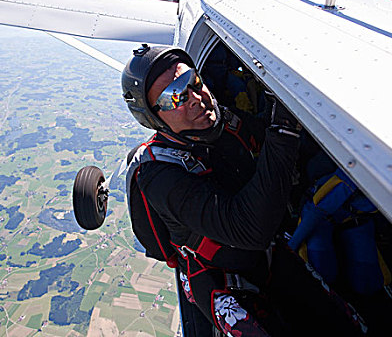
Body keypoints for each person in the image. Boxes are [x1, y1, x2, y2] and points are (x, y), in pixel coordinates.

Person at [122, 44, 366, 336]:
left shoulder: (224, 122)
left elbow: (264, 137)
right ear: (154, 116)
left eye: (194, 83)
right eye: (176, 97)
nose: (196, 99)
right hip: (216, 276)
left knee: (343, 323)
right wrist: (284, 131)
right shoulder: (159, 176)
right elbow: (249, 229)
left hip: (266, 254)